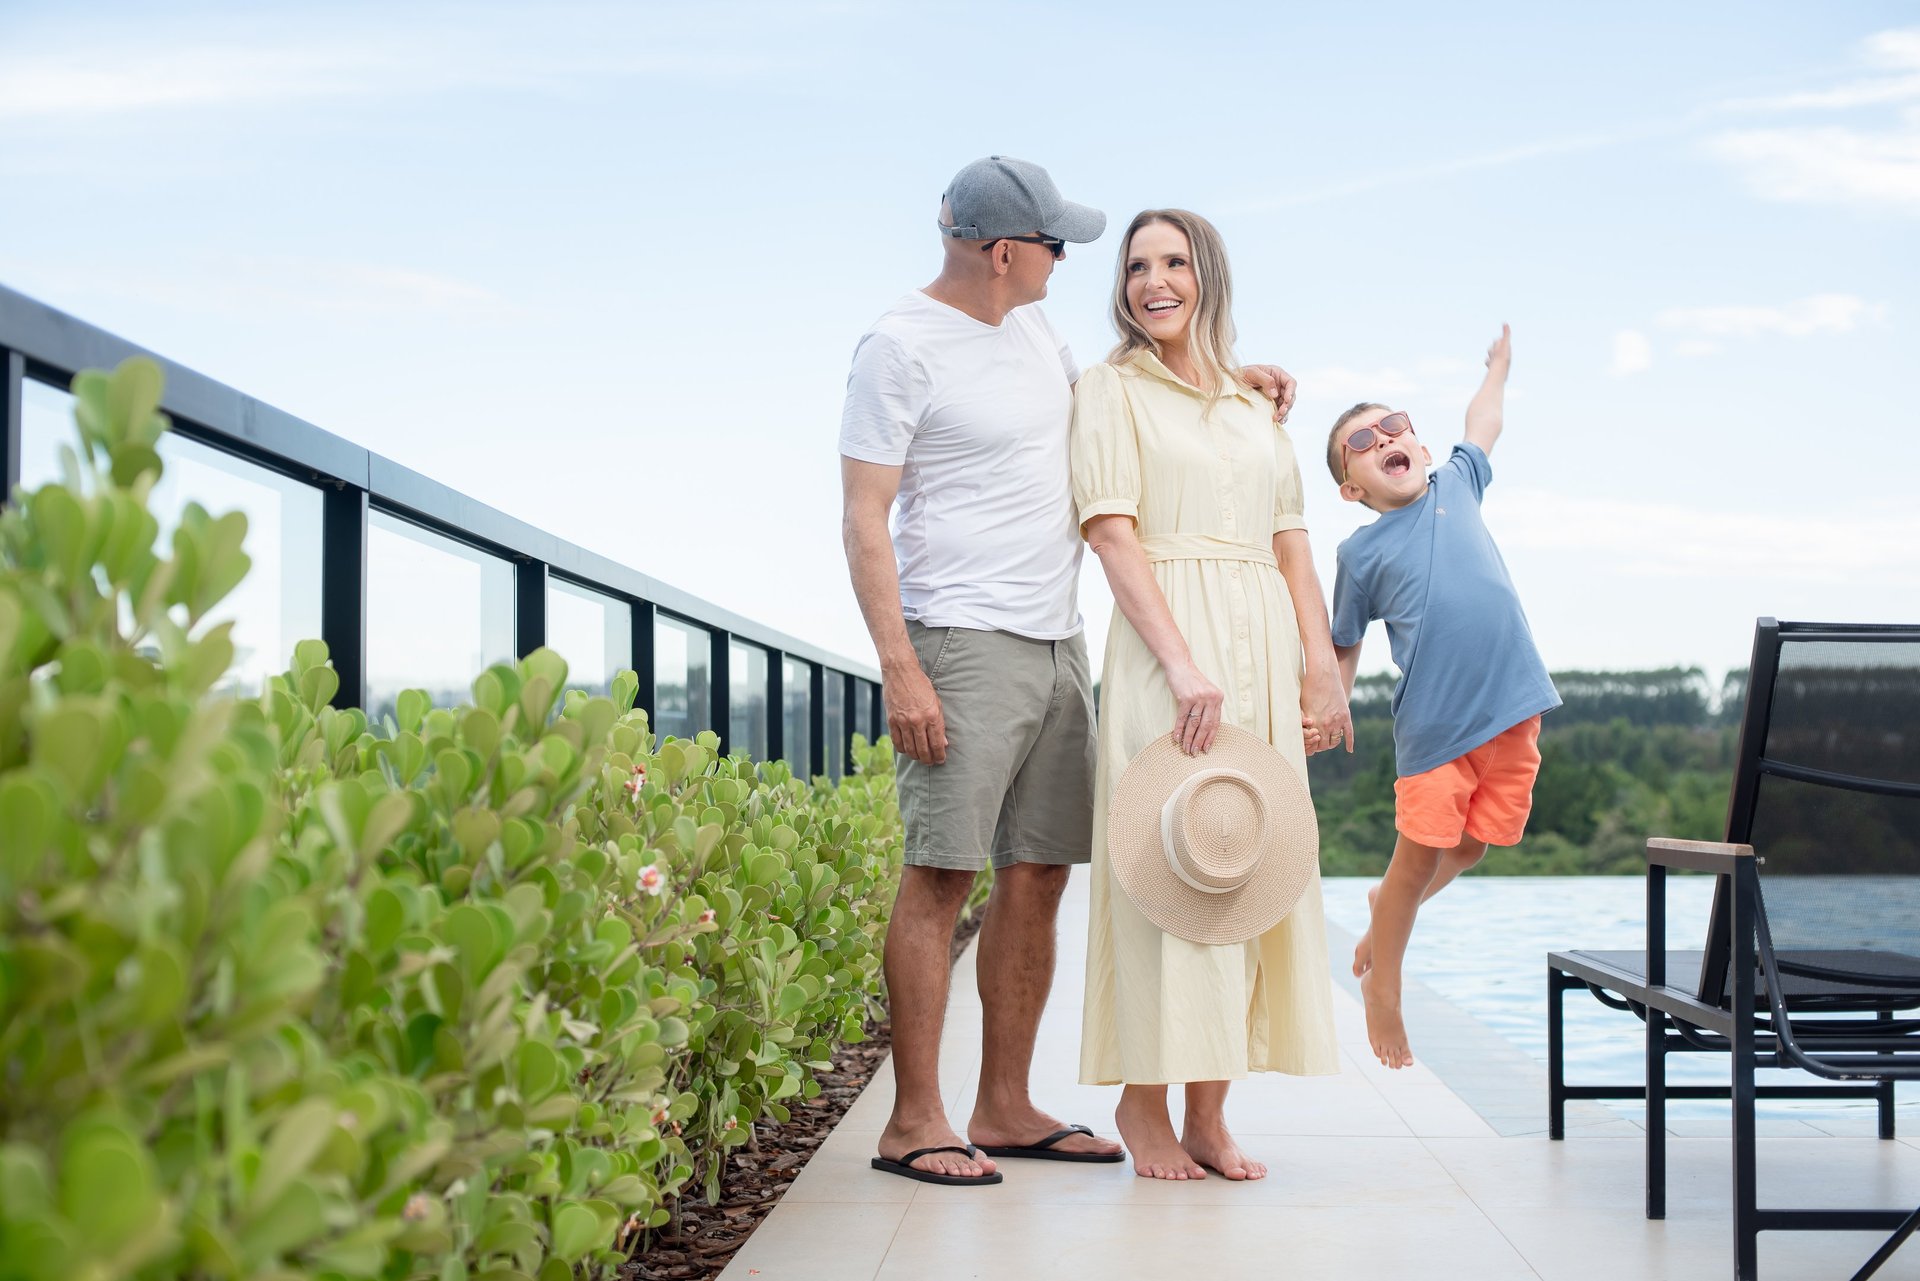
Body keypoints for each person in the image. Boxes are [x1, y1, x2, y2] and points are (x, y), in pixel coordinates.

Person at [840, 160, 1296, 1186]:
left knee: (1038, 873)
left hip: (1058, 644)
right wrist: (900, 667)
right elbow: (864, 517)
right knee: (941, 876)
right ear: (1007, 251)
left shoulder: (1034, 331)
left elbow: (1134, 401)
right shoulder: (899, 347)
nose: (1068, 260)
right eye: (1058, 245)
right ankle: (915, 1121)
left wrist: (1238, 380)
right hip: (959, 639)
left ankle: (1003, 1106)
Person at [1072, 208, 1348, 1182]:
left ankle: (1209, 1111)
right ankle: (1142, 1103)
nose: (1155, 281)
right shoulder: (1109, 389)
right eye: (1137, 266)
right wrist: (1184, 664)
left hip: (1262, 643)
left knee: (1246, 860)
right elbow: (1111, 533)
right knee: (1165, 864)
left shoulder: (1253, 403)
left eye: (1175, 262)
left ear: (1208, 277)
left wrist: (1322, 664)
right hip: (1167, 650)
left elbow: (1291, 540)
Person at [1326, 325, 1561, 1070]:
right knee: (1417, 857)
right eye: (1362, 441)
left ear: (1422, 448)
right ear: (1353, 489)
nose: (1385, 438)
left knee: (1473, 845)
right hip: (1436, 728)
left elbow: (1484, 420)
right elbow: (1344, 640)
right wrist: (1335, 702)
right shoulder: (1359, 553)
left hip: (1513, 709)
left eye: (1395, 426)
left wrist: (1499, 369)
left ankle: (1384, 914)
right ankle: (1383, 988)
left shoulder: (1458, 483)